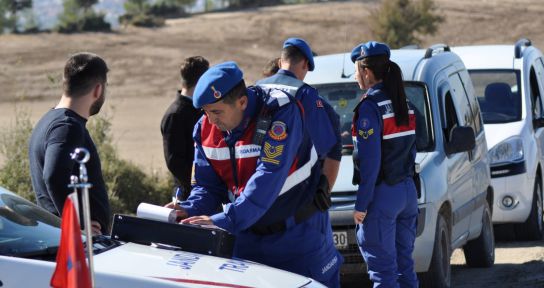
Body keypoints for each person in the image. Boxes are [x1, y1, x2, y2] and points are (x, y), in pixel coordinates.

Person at [172, 61, 341, 287]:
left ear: (242, 102)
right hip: (245, 239)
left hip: (298, 239)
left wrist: (224, 220)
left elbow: (268, 177)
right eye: (205, 112)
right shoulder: (205, 128)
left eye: (216, 112)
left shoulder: (280, 113)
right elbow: (208, 187)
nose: (210, 120)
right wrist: (188, 209)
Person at [350, 41, 418, 287]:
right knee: (404, 268)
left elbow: (371, 162)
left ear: (366, 72)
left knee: (383, 273)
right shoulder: (406, 105)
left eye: (357, 70)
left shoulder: (370, 108)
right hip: (407, 192)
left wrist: (361, 204)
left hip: (382, 197)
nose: (356, 76)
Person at [29, 52, 111, 235]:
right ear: (98, 90)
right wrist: (77, 224)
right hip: (77, 246)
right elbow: (53, 176)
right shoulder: (67, 126)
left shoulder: (51, 120)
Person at [256, 37, 342, 192]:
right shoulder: (306, 94)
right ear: (304, 64)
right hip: (292, 184)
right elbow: (324, 145)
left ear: (281, 62)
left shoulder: (257, 87)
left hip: (257, 179)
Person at [161, 56, 209, 200]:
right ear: (202, 81)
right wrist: (200, 183)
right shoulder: (175, 115)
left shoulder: (201, 109)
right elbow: (174, 162)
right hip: (187, 195)